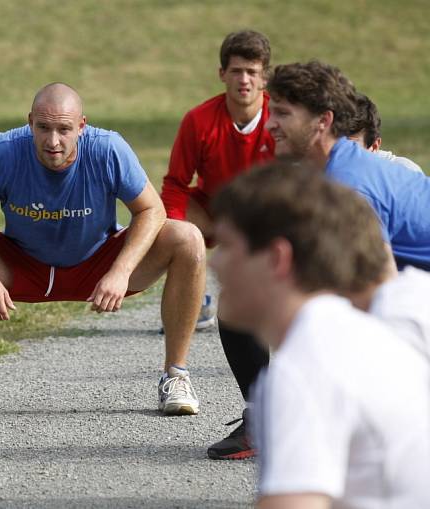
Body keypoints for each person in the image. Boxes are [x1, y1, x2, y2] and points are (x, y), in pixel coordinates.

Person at [0, 83, 206, 419]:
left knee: (188, 238)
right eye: (43, 128)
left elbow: (152, 210)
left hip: (97, 266)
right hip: (22, 266)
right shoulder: (4, 151)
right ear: (30, 121)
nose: (53, 141)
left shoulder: (108, 149)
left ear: (81, 126)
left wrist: (120, 271)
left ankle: (176, 376)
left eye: (64, 129)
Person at [210, 161, 430, 508]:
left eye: (226, 246)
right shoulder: (350, 334)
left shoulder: (304, 368)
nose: (214, 263)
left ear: (277, 258)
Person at [161, 29, 276, 460]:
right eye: (236, 71)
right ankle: (196, 290)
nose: (244, 80)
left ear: (264, 79)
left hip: (267, 224)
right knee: (164, 216)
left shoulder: (280, 120)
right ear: (221, 74)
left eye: (253, 72)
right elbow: (175, 184)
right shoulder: (200, 120)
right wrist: (181, 234)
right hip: (217, 216)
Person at [265, 60, 430, 272]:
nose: (269, 124)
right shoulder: (338, 169)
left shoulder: (348, 183)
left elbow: (381, 283)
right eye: (271, 112)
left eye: (283, 113)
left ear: (323, 121)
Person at [347, 93, 424, 173]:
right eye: (335, 144)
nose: (339, 153)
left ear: (374, 146)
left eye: (349, 147)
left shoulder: (405, 174)